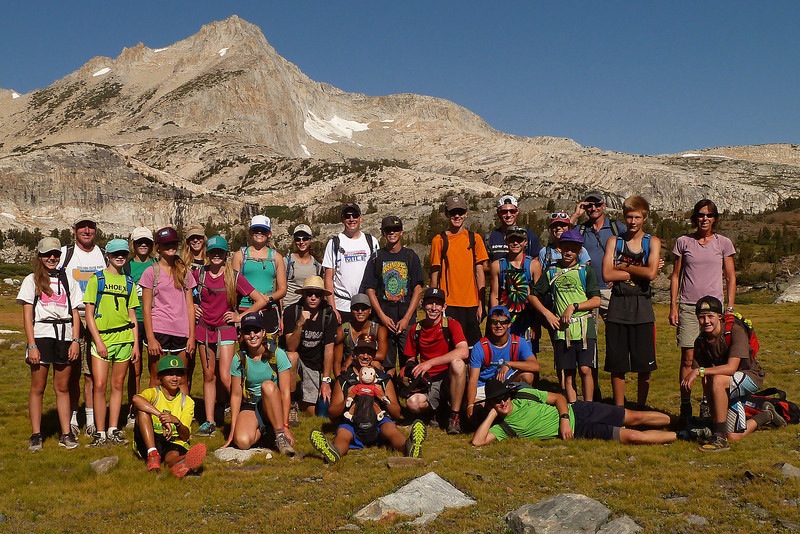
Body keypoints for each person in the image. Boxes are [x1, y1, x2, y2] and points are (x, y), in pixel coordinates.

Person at [309, 334, 427, 464]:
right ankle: (333, 452)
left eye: (370, 352)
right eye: (361, 351)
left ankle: (409, 447)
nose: (365, 356)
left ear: (374, 355)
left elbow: (396, 413)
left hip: (378, 422)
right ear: (355, 353)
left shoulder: (383, 379)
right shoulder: (344, 380)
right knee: (343, 434)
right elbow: (332, 413)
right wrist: (346, 399)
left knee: (390, 428)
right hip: (352, 422)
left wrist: (383, 397)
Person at [670, 199, 737, 422]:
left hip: (715, 308)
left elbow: (730, 276)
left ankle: (709, 403)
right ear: (695, 218)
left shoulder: (723, 243)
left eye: (708, 215)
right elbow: (676, 275)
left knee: (713, 359)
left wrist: (729, 307)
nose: (704, 219)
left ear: (715, 218)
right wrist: (673, 305)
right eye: (700, 215)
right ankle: (685, 404)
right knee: (688, 358)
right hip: (689, 306)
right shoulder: (683, 242)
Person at [193, 235, 266, 437]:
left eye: (220, 252)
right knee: (208, 375)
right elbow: (184, 294)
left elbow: (260, 300)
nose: (216, 256)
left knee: (226, 375)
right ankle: (209, 421)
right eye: (213, 252)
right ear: (207, 254)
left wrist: (240, 316)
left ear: (226, 254)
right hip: (204, 329)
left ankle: (245, 408)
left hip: (226, 329)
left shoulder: (233, 276)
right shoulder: (198, 274)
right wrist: (192, 306)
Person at [471, 379, 679, 446]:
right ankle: (683, 435)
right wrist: (491, 415)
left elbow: (559, 398)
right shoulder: (504, 428)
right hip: (581, 429)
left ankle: (681, 422)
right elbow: (478, 442)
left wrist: (564, 420)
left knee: (635, 416)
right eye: (497, 401)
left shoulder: (525, 394)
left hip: (578, 410)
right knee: (633, 436)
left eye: (504, 397)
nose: (503, 402)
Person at [18, 237, 82, 451]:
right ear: (40, 257)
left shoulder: (68, 280)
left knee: (62, 387)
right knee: (38, 386)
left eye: (55, 254)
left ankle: (66, 433)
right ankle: (36, 434)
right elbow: (27, 316)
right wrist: (31, 344)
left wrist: (75, 340)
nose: (52, 258)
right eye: (47, 254)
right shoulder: (31, 280)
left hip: (64, 336)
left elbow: (75, 312)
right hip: (42, 334)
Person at [680, 296, 766, 452]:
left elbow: (731, 368)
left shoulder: (735, 331)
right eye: (701, 317)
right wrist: (709, 408)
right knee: (733, 435)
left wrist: (698, 371)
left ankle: (719, 438)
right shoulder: (700, 342)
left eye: (710, 316)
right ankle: (766, 415)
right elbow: (706, 379)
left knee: (718, 379)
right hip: (726, 385)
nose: (706, 321)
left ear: (719, 317)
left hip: (750, 376)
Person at [602, 195, 662, 408]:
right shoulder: (614, 242)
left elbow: (652, 273)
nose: (633, 222)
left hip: (642, 308)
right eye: (629, 217)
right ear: (623, 218)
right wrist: (639, 271)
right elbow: (607, 275)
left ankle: (641, 407)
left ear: (644, 218)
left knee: (644, 366)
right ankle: (619, 409)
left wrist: (623, 267)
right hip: (618, 306)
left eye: (637, 217)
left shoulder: (652, 241)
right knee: (617, 364)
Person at [529, 229, 601, 402]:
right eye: (566, 248)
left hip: (584, 328)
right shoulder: (551, 272)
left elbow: (596, 300)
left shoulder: (586, 271)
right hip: (562, 330)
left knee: (585, 369)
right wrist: (547, 314)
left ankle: (588, 408)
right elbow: (533, 295)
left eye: (573, 249)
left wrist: (574, 306)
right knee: (567, 373)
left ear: (579, 251)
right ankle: (573, 408)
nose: (569, 252)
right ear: (559, 249)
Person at [83, 238, 140, 446]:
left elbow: (132, 314)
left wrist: (135, 344)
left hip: (124, 339)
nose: (120, 257)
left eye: (123, 254)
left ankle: (113, 428)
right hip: (103, 339)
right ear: (107, 255)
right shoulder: (96, 279)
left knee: (117, 385)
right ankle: (100, 432)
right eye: (116, 254)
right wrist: (98, 341)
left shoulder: (129, 282)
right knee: (99, 385)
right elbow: (89, 314)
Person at [59, 215, 107, 438]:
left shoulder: (102, 255)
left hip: (96, 320)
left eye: (91, 227)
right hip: (72, 318)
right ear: (74, 229)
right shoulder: (64, 254)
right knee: (71, 373)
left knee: (90, 374)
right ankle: (71, 418)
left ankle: (89, 420)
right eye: (82, 227)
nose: (87, 231)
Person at [224, 313, 295, 456]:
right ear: (242, 335)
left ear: (263, 333)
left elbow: (286, 393)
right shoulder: (238, 359)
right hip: (251, 404)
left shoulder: (278, 354)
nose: (252, 335)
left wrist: (286, 426)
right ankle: (267, 434)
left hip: (274, 401)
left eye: (256, 330)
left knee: (267, 386)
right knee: (242, 442)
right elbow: (236, 395)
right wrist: (232, 431)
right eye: (247, 331)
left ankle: (280, 434)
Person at [361, 215, 424, 376]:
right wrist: (381, 316)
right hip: (384, 320)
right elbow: (370, 289)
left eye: (395, 229)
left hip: (406, 320)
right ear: (383, 233)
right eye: (388, 230)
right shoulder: (376, 257)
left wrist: (407, 318)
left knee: (408, 361)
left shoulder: (411, 256)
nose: (392, 233)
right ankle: (389, 395)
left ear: (401, 232)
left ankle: (408, 394)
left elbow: (417, 289)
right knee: (385, 363)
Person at [401, 287, 469, 434]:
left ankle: (454, 416)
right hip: (429, 380)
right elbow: (410, 357)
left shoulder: (451, 324)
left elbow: (463, 351)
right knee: (412, 404)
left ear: (444, 307)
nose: (433, 308)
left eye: (437, 304)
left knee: (458, 364)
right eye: (429, 303)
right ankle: (436, 411)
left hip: (450, 378)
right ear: (422, 305)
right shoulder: (416, 329)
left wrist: (430, 363)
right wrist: (410, 367)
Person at [139, 227, 196, 394]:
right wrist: (150, 338)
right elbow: (146, 307)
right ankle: (155, 417)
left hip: (181, 331)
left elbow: (190, 306)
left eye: (173, 243)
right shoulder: (151, 272)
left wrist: (192, 336)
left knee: (182, 377)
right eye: (166, 244)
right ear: (158, 247)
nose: (170, 247)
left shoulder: (184, 272)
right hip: (159, 329)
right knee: (157, 376)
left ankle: (182, 417)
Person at [132, 356, 207, 477]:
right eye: (170, 374)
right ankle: (153, 455)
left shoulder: (187, 402)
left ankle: (181, 464)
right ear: (160, 377)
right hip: (149, 439)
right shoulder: (153, 393)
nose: (175, 378)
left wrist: (176, 422)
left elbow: (185, 436)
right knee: (142, 411)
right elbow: (136, 399)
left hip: (172, 441)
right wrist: (161, 416)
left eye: (178, 374)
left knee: (172, 456)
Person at [429, 194, 489, 347]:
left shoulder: (474, 239)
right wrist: (434, 302)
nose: (457, 216)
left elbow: (479, 272)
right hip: (448, 304)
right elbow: (435, 273)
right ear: (446, 214)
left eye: (460, 212)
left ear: (466, 213)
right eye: (453, 212)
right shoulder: (439, 240)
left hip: (471, 303)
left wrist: (481, 304)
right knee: (449, 348)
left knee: (474, 350)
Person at [466, 306, 539, 422]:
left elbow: (535, 366)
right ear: (489, 324)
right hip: (484, 386)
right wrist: (470, 405)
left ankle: (516, 404)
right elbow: (473, 380)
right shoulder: (480, 347)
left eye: (503, 322)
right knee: (477, 412)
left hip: (507, 384)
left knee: (528, 375)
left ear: (509, 324)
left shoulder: (518, 342)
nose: (498, 325)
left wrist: (509, 364)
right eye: (494, 322)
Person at [283, 276, 340, 418]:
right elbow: (291, 347)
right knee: (292, 357)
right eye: (309, 294)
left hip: (314, 363)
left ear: (322, 297)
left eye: (317, 294)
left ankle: (301, 398)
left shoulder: (328, 315)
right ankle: (290, 404)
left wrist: (326, 380)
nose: (313, 298)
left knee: (315, 411)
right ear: (303, 295)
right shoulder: (292, 311)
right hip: (294, 357)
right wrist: (300, 324)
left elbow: (329, 349)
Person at [322, 203, 379, 325]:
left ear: (360, 217)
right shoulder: (334, 243)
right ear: (342, 219)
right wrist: (333, 308)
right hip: (342, 305)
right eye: (348, 216)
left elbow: (377, 275)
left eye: (355, 215)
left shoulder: (371, 241)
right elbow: (328, 278)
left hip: (366, 305)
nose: (351, 219)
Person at [123, 226, 156, 429]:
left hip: (155, 320)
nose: (143, 245)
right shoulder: (126, 267)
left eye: (146, 242)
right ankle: (133, 410)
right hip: (134, 321)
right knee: (135, 368)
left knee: (155, 368)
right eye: (139, 242)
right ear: (133, 245)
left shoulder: (157, 264)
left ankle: (155, 408)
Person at [232, 215, 286, 334]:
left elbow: (282, 289)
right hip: (245, 308)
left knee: (269, 347)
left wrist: (269, 298)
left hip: (269, 309)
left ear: (269, 234)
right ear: (251, 232)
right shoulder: (239, 255)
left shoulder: (277, 257)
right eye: (256, 230)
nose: (260, 233)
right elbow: (233, 286)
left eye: (264, 230)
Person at [488, 226, 539, 344]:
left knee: (527, 355)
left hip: (527, 320)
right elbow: (494, 294)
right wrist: (495, 321)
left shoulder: (533, 265)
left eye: (519, 240)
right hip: (504, 319)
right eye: (512, 240)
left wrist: (536, 324)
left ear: (525, 242)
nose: (515, 243)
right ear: (506, 241)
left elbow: (538, 296)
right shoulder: (497, 265)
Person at [333, 293, 389, 377]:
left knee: (376, 364)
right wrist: (339, 381)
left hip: (370, 366)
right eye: (356, 308)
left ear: (370, 310)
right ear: (351, 310)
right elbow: (337, 362)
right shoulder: (343, 330)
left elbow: (381, 355)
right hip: (350, 368)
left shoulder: (379, 329)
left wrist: (353, 356)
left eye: (364, 308)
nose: (360, 312)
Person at [485, 194, 541, 262]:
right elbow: (484, 265)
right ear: (498, 213)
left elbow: (536, 260)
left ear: (517, 211)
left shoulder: (529, 235)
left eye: (512, 211)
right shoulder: (490, 237)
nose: (508, 215)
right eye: (504, 212)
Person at [284, 224, 324, 308]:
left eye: (305, 238)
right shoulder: (287, 261)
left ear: (310, 240)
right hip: (289, 307)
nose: (301, 242)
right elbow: (280, 288)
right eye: (298, 239)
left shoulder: (317, 265)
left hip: (310, 308)